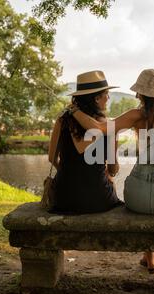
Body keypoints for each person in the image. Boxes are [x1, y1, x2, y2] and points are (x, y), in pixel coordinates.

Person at [70, 69, 154, 274]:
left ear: (142, 94)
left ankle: (151, 255)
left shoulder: (136, 116)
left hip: (137, 197)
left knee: (145, 197)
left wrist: (74, 111)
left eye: (139, 93)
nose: (137, 96)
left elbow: (97, 129)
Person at [47, 70, 122, 214]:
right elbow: (113, 170)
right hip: (98, 199)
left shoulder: (62, 120)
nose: (109, 97)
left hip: (64, 199)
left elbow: (51, 158)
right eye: (106, 94)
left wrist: (70, 174)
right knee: (110, 183)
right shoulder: (109, 127)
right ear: (96, 99)